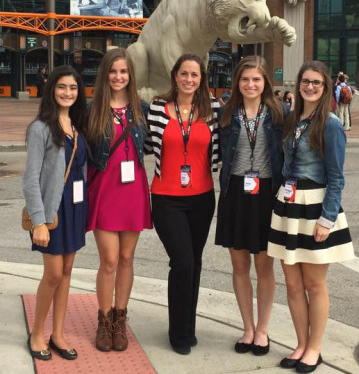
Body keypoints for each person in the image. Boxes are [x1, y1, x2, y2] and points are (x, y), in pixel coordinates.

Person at [267, 61, 355, 372]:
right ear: (299, 84)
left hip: (316, 206)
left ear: (325, 86)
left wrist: (326, 219)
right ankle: (301, 344)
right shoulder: (292, 119)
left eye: (317, 82)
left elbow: (336, 176)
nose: (311, 87)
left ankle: (314, 348)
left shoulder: (329, 124)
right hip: (289, 206)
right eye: (306, 81)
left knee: (314, 284)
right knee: (292, 284)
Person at [146, 53, 220, 355]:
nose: (189, 80)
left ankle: (189, 327)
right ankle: (177, 332)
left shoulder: (213, 109)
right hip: (166, 198)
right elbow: (147, 146)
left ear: (201, 79)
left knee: (195, 262)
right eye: (184, 74)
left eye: (195, 75)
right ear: (175, 76)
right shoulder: (157, 109)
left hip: (203, 198)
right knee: (183, 262)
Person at [215, 56, 286, 356]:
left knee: (264, 266)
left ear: (265, 82)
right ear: (237, 82)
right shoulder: (227, 113)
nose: (251, 84)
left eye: (256, 79)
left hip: (267, 195)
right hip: (235, 193)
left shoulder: (279, 114)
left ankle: (263, 330)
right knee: (240, 265)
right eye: (245, 79)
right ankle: (247, 327)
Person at [86, 47, 152, 352]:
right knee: (109, 260)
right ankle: (104, 318)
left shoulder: (142, 108)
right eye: (113, 71)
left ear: (130, 75)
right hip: (104, 190)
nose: (118, 77)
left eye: (123, 71)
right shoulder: (92, 109)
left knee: (126, 258)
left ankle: (120, 320)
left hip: (133, 190)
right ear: (105, 74)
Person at [23, 65, 88, 361]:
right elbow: (30, 178)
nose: (68, 93)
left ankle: (58, 333)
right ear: (52, 90)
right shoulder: (40, 128)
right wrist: (38, 221)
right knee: (53, 273)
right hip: (52, 210)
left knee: (67, 273)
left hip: (75, 208)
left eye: (73, 88)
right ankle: (37, 332)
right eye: (62, 87)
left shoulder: (76, 127)